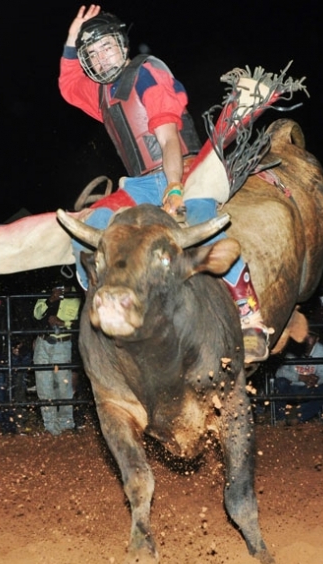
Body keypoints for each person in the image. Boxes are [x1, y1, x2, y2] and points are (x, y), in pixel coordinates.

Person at [59, 6, 270, 363]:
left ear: (122, 44)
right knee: (87, 229)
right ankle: (107, 306)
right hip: (141, 183)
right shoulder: (102, 92)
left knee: (202, 220)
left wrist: (174, 188)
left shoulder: (146, 72)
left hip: (184, 167)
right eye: (91, 55)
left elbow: (168, 138)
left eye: (105, 47)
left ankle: (249, 314)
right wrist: (69, 41)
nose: (100, 57)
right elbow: (68, 87)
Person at [33, 284, 81, 435]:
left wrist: (63, 323)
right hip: (43, 342)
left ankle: (66, 425)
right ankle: (50, 426)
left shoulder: (78, 296)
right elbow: (36, 314)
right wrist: (50, 300)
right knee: (43, 386)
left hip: (63, 343)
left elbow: (81, 323)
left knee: (63, 386)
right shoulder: (47, 292)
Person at [273, 328, 323, 424]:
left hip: (310, 387)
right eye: (305, 335)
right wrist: (300, 377)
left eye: (310, 336)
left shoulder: (322, 350)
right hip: (292, 386)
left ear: (317, 339)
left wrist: (316, 379)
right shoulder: (292, 348)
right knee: (280, 382)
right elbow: (279, 372)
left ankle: (299, 416)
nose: (307, 339)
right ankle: (281, 417)